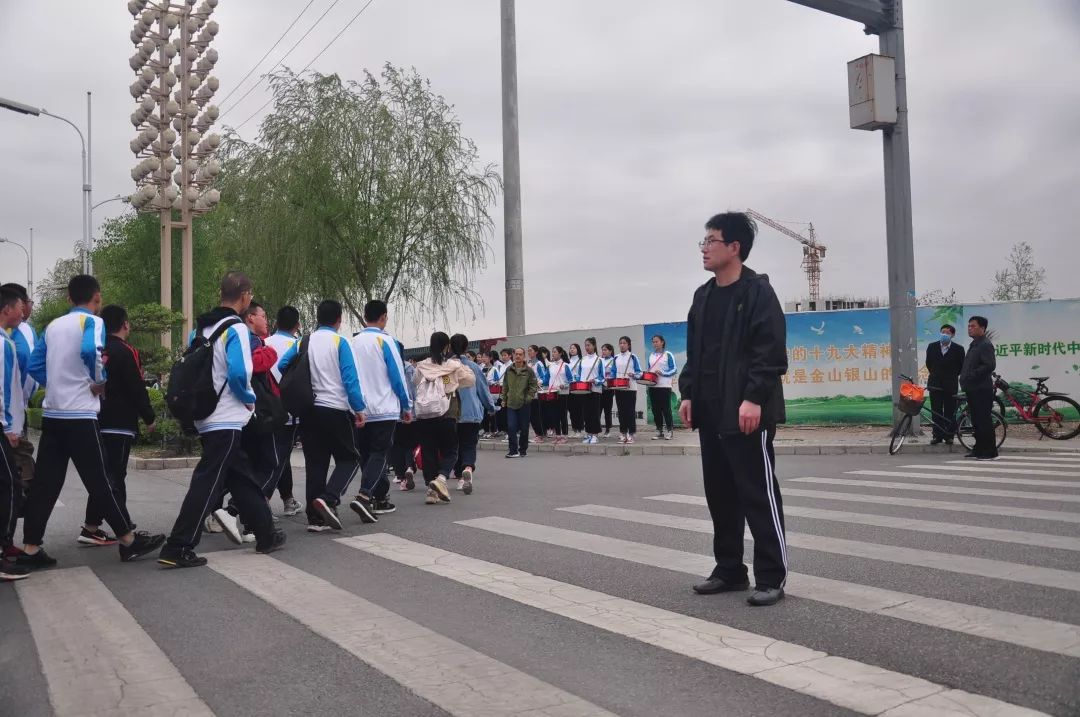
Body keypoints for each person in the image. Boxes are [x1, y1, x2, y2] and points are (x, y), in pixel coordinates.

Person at [679, 212, 789, 607]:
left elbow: (770, 352)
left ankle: (772, 576)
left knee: (758, 494)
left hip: (747, 412)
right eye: (703, 241)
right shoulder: (703, 296)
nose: (705, 248)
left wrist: (754, 398)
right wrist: (688, 393)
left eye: (711, 240)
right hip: (711, 410)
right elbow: (695, 352)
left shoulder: (757, 292)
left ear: (734, 247)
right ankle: (729, 569)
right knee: (720, 495)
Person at [20, 275, 164, 569]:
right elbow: (90, 352)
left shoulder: (52, 326)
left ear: (69, 299)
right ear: (96, 299)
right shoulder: (93, 323)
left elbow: (34, 366)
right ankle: (128, 541)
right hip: (81, 417)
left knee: (46, 485)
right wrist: (98, 381)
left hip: (54, 415)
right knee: (102, 481)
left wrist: (57, 384)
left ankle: (31, 549)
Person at [157, 273, 283, 568]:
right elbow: (240, 374)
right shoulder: (236, 329)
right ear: (245, 296)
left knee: (240, 477)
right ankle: (177, 546)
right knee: (207, 482)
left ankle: (267, 534)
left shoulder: (201, 328)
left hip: (205, 415)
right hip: (225, 417)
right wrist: (250, 399)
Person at [277, 299, 367, 531]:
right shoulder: (340, 342)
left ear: (318, 318)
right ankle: (329, 499)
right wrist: (359, 409)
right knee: (350, 458)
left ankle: (315, 519)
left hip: (309, 410)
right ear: (339, 319)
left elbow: (282, 365)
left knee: (316, 463)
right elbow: (350, 379)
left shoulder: (303, 341)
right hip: (335, 409)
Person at [82, 305, 156, 546]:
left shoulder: (99, 350)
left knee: (104, 476)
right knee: (114, 476)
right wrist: (149, 416)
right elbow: (136, 387)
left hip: (96, 420)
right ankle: (123, 526)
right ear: (125, 324)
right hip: (120, 423)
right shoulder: (126, 351)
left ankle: (92, 526)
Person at [348, 300, 412, 520]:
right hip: (384, 408)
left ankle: (380, 497)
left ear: (365, 316)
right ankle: (365, 495)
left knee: (367, 455)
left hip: (359, 409)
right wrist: (406, 405)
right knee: (380, 454)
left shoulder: (352, 342)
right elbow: (398, 376)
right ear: (383, 317)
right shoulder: (386, 341)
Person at [413, 332, 475, 504]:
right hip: (447, 411)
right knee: (451, 449)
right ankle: (441, 479)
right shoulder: (453, 365)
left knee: (429, 450)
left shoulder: (421, 365)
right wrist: (453, 383)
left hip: (425, 413)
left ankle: (431, 491)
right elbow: (470, 380)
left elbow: (415, 382)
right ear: (447, 346)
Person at [0, 289, 30, 580]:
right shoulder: (2, 343)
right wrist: (8, 426)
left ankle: (6, 546)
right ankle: (3, 550)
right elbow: (2, 387)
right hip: (2, 426)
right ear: (8, 308)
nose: (23, 310)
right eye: (21, 305)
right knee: (9, 485)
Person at [263, 305, 303, 516]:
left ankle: (288, 499)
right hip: (288, 412)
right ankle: (262, 502)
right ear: (297, 325)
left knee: (279, 456)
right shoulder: (298, 346)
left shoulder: (263, 343)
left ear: (276, 323)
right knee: (278, 458)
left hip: (264, 409)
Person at [450, 333, 494, 494]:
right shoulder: (473, 367)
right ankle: (467, 468)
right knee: (469, 444)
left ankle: (456, 471)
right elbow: (483, 390)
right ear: (466, 347)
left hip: (450, 413)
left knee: (454, 444)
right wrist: (491, 407)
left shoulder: (446, 366)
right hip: (471, 413)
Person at [959, 316, 998, 460]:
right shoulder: (975, 344)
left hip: (981, 388)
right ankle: (979, 449)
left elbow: (989, 365)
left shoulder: (985, 344)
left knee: (983, 420)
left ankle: (990, 451)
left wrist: (971, 375)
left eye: (973, 326)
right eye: (969, 326)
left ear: (982, 328)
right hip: (972, 388)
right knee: (976, 420)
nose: (970, 328)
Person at [925, 323, 965, 445]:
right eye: (943, 332)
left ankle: (949, 436)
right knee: (936, 411)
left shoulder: (958, 349)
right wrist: (937, 374)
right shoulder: (932, 347)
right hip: (935, 383)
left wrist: (949, 376)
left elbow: (961, 367)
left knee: (950, 411)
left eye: (947, 333)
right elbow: (929, 364)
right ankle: (937, 435)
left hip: (950, 384)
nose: (944, 334)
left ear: (952, 335)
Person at [389, 341, 420, 491]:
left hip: (393, 412)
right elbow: (414, 390)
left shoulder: (387, 366)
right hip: (410, 412)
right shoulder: (409, 368)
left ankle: (400, 475)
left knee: (396, 445)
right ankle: (409, 467)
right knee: (409, 444)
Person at [502, 347, 538, 458]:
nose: (518, 356)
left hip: (524, 403)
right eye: (516, 354)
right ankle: (513, 451)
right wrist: (504, 399)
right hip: (511, 403)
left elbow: (533, 385)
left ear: (524, 356)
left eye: (520, 354)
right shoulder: (509, 370)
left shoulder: (528, 371)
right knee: (511, 426)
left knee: (524, 428)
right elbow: (505, 385)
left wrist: (528, 398)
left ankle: (522, 449)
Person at [608, 336, 642, 444]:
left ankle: (631, 433)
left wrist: (634, 375)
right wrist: (610, 377)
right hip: (619, 388)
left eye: (624, 343)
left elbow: (639, 372)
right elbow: (613, 372)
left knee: (630, 411)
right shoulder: (616, 358)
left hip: (631, 388)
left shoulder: (633, 357)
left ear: (628, 345)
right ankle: (623, 432)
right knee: (621, 411)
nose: (622, 345)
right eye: (620, 343)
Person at [646, 334, 679, 440]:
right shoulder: (651, 355)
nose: (654, 344)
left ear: (662, 342)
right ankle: (659, 431)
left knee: (666, 409)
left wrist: (663, 373)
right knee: (656, 410)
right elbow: (649, 369)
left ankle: (670, 430)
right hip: (653, 386)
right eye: (653, 342)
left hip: (664, 386)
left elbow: (674, 369)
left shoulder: (668, 354)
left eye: (656, 341)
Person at [575, 337, 605, 444]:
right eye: (586, 345)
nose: (587, 347)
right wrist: (578, 382)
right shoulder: (582, 359)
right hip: (584, 390)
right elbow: (579, 375)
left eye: (589, 345)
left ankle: (595, 434)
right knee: (586, 413)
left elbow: (602, 376)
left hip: (595, 389)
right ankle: (588, 433)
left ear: (594, 346)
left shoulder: (599, 360)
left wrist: (595, 381)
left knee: (594, 413)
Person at [544, 346, 573, 444]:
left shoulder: (565, 366)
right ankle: (558, 435)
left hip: (563, 393)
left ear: (560, 353)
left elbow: (571, 380)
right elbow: (546, 379)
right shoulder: (550, 366)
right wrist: (538, 382)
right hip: (552, 393)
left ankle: (565, 435)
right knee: (554, 415)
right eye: (552, 352)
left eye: (555, 352)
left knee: (563, 415)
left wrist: (564, 385)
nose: (553, 354)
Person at [567, 343, 584, 438]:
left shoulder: (581, 361)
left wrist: (578, 378)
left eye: (574, 348)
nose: (572, 349)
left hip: (578, 387)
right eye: (571, 348)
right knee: (571, 410)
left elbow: (583, 373)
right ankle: (574, 429)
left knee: (578, 409)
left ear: (578, 349)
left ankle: (580, 430)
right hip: (569, 387)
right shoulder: (568, 362)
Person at [599, 343, 616, 437]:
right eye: (603, 350)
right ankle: (596, 429)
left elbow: (614, 373)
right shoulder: (599, 360)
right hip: (599, 387)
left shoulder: (614, 360)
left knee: (607, 410)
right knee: (598, 409)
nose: (604, 351)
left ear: (610, 351)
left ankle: (608, 429)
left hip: (608, 388)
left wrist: (608, 377)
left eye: (605, 350)